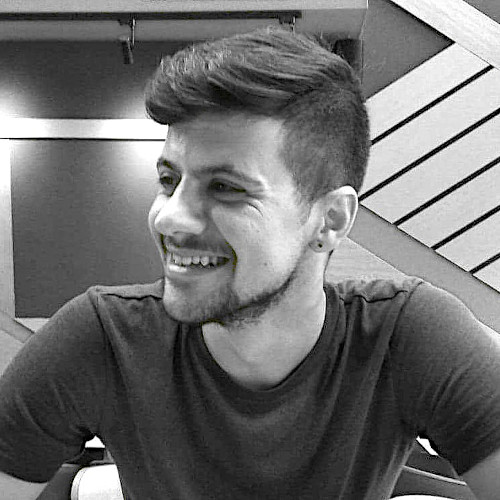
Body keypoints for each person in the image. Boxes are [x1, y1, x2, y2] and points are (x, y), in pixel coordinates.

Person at [0, 27, 499, 500]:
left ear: (329, 220)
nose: (169, 218)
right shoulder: (104, 339)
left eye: (226, 188)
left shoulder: (405, 336)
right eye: (169, 181)